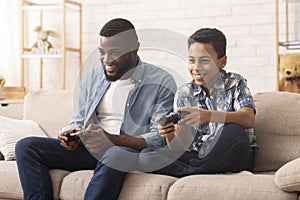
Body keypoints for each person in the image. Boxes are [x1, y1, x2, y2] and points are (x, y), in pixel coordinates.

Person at [15, 18, 177, 200]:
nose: (106, 60)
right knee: (26, 146)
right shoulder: (92, 76)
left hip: (125, 151)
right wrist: (69, 134)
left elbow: (159, 138)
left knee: (116, 153)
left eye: (115, 52)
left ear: (134, 48)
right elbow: (78, 120)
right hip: (90, 150)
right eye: (102, 52)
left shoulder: (161, 81)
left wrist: (112, 140)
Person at [153, 28, 256, 177]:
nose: (196, 67)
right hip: (200, 156)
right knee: (147, 154)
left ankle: (192, 171)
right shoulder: (184, 93)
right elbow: (180, 147)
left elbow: (248, 119)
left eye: (204, 61)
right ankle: (200, 171)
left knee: (233, 130)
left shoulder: (235, 82)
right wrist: (169, 134)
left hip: (234, 156)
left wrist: (209, 116)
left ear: (222, 61)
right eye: (191, 60)